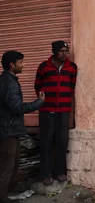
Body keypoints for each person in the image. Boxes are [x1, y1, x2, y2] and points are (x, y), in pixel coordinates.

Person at [0, 51, 45, 203]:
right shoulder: (9, 83)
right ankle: (2, 197)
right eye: (21, 62)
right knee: (7, 166)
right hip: (7, 131)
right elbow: (17, 107)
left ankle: (5, 192)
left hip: (9, 129)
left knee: (13, 164)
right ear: (12, 65)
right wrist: (38, 103)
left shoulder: (9, 80)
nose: (23, 65)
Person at [34, 41, 77, 185]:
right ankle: (46, 174)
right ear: (54, 52)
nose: (65, 54)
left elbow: (72, 87)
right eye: (61, 51)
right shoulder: (44, 66)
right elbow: (38, 86)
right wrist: (46, 101)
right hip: (47, 110)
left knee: (62, 141)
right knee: (46, 142)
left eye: (67, 51)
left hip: (63, 111)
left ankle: (60, 172)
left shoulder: (72, 67)